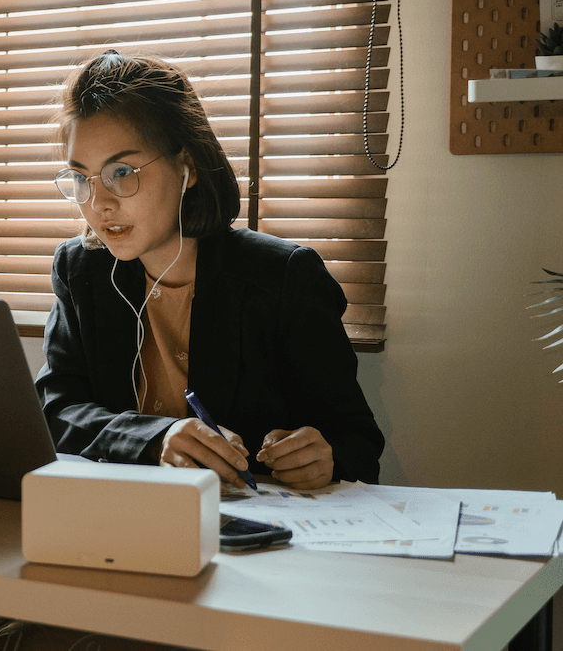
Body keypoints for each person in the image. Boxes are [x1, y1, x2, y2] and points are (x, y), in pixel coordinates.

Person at [35, 50, 385, 490]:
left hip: (251, 527)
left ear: (188, 166)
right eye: (82, 178)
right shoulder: (79, 268)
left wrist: (324, 456)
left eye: (122, 172)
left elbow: (358, 441)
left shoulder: (285, 277)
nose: (99, 203)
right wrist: (154, 437)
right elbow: (54, 409)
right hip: (123, 517)